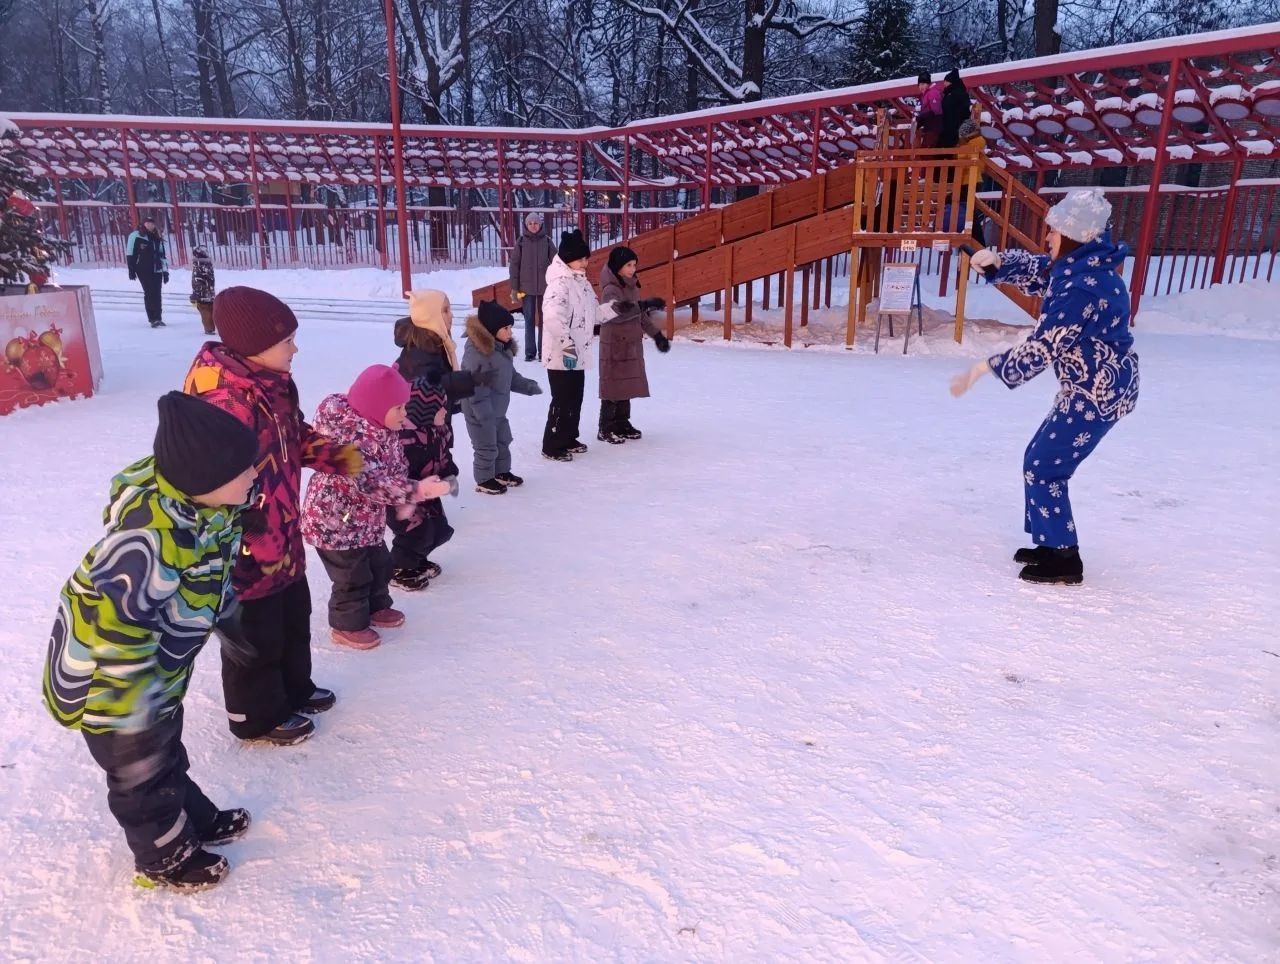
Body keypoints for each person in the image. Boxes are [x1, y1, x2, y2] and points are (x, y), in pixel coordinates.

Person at [42, 391, 260, 891]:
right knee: (141, 776)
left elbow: (210, 581)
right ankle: (163, 858)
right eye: (243, 469)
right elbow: (116, 627)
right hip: (114, 690)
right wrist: (134, 707)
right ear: (205, 479)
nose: (254, 474)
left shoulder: (209, 514)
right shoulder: (147, 543)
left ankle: (192, 819)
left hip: (155, 677)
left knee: (166, 753)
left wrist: (232, 624)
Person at [184, 286, 363, 745]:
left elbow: (293, 436)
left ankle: (294, 689)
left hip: (282, 526)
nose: (295, 349)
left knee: (292, 614)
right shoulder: (223, 400)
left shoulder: (271, 384)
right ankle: (255, 716)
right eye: (287, 341)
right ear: (256, 346)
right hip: (244, 539)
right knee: (254, 632)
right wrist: (232, 530)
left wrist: (341, 457)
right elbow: (204, 479)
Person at [950, 189, 1139, 585]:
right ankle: (1051, 544)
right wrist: (999, 264)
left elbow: (1045, 345)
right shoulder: (1082, 267)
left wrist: (985, 368)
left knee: (1044, 465)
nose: (1047, 236)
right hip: (1089, 386)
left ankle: (1064, 559)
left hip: (1097, 392)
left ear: (1073, 235)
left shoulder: (1082, 290)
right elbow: (1042, 270)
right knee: (1039, 459)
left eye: (1053, 230)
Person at [301, 365, 453, 649]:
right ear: (376, 408)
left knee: (380, 565)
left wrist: (405, 497)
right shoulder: (353, 440)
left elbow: (395, 467)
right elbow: (373, 483)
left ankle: (376, 606)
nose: (405, 413)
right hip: (335, 522)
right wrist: (416, 490)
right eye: (398, 408)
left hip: (364, 520)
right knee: (353, 576)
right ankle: (347, 624)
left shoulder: (381, 429)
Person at [461, 300, 544, 493]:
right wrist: (484, 415)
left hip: (497, 410)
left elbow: (510, 377)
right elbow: (475, 388)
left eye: (510, 328)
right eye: (506, 328)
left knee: (503, 441)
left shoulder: (501, 350)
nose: (510, 332)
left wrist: (529, 386)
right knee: (486, 446)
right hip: (479, 412)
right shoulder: (478, 354)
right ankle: (484, 479)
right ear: (491, 329)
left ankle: (501, 472)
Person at [596, 246, 670, 444]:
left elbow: (640, 316)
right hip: (614, 344)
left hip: (630, 343)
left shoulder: (632, 285)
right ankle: (606, 426)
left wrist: (657, 336)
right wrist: (643, 305)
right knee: (613, 384)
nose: (632, 269)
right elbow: (616, 313)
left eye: (634, 265)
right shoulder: (611, 289)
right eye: (628, 265)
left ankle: (622, 422)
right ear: (618, 266)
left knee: (626, 383)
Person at [390, 379, 458, 591]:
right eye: (440, 407)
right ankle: (398, 568)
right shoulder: (404, 438)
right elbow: (397, 473)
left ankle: (416, 560)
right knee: (417, 533)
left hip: (429, 491)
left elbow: (443, 455)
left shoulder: (439, 429)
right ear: (425, 409)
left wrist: (449, 473)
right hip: (403, 497)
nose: (445, 411)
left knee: (440, 529)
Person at [540, 229, 598, 462]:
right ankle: (552, 444)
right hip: (561, 354)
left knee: (575, 397)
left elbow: (594, 312)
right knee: (562, 399)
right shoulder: (559, 284)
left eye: (586, 259)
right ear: (567, 259)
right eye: (581, 259)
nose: (585, 263)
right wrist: (566, 344)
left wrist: (617, 308)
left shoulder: (582, 283)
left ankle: (568, 437)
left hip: (578, 352)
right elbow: (552, 317)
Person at [393, 289, 477, 413]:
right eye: (445, 310)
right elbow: (430, 402)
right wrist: (468, 384)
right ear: (430, 316)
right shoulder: (421, 356)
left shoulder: (435, 345)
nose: (451, 315)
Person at [509, 212, 558, 362]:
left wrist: (556, 284)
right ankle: (530, 352)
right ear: (526, 225)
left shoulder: (547, 241)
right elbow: (514, 265)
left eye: (536, 223)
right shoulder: (521, 242)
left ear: (540, 224)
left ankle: (544, 351)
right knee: (529, 319)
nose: (533, 226)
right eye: (530, 223)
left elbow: (557, 263)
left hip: (545, 288)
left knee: (544, 320)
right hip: (526, 288)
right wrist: (515, 288)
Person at [126, 216, 169, 328]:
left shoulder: (157, 236)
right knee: (149, 292)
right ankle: (152, 318)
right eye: (148, 223)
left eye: (152, 223)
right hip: (143, 269)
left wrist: (165, 272)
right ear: (143, 224)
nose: (150, 225)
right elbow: (130, 253)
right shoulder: (135, 236)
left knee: (157, 293)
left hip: (157, 268)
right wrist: (131, 270)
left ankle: (158, 317)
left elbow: (162, 255)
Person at [939, 68, 972, 149]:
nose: (944, 83)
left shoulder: (955, 94)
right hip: (952, 126)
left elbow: (963, 110)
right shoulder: (952, 93)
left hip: (954, 127)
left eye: (946, 81)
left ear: (951, 82)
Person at [915, 71, 945, 149]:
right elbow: (927, 113)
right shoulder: (925, 95)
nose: (921, 87)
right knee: (926, 150)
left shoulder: (933, 93)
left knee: (926, 151)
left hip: (935, 127)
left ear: (928, 84)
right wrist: (919, 122)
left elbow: (936, 110)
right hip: (930, 127)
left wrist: (921, 117)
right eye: (919, 85)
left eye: (923, 84)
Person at [190, 245, 216, 335]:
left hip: (202, 293)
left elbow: (196, 280)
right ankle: (210, 328)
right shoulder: (206, 264)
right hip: (207, 292)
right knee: (208, 310)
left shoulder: (199, 265)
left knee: (206, 310)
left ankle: (209, 329)